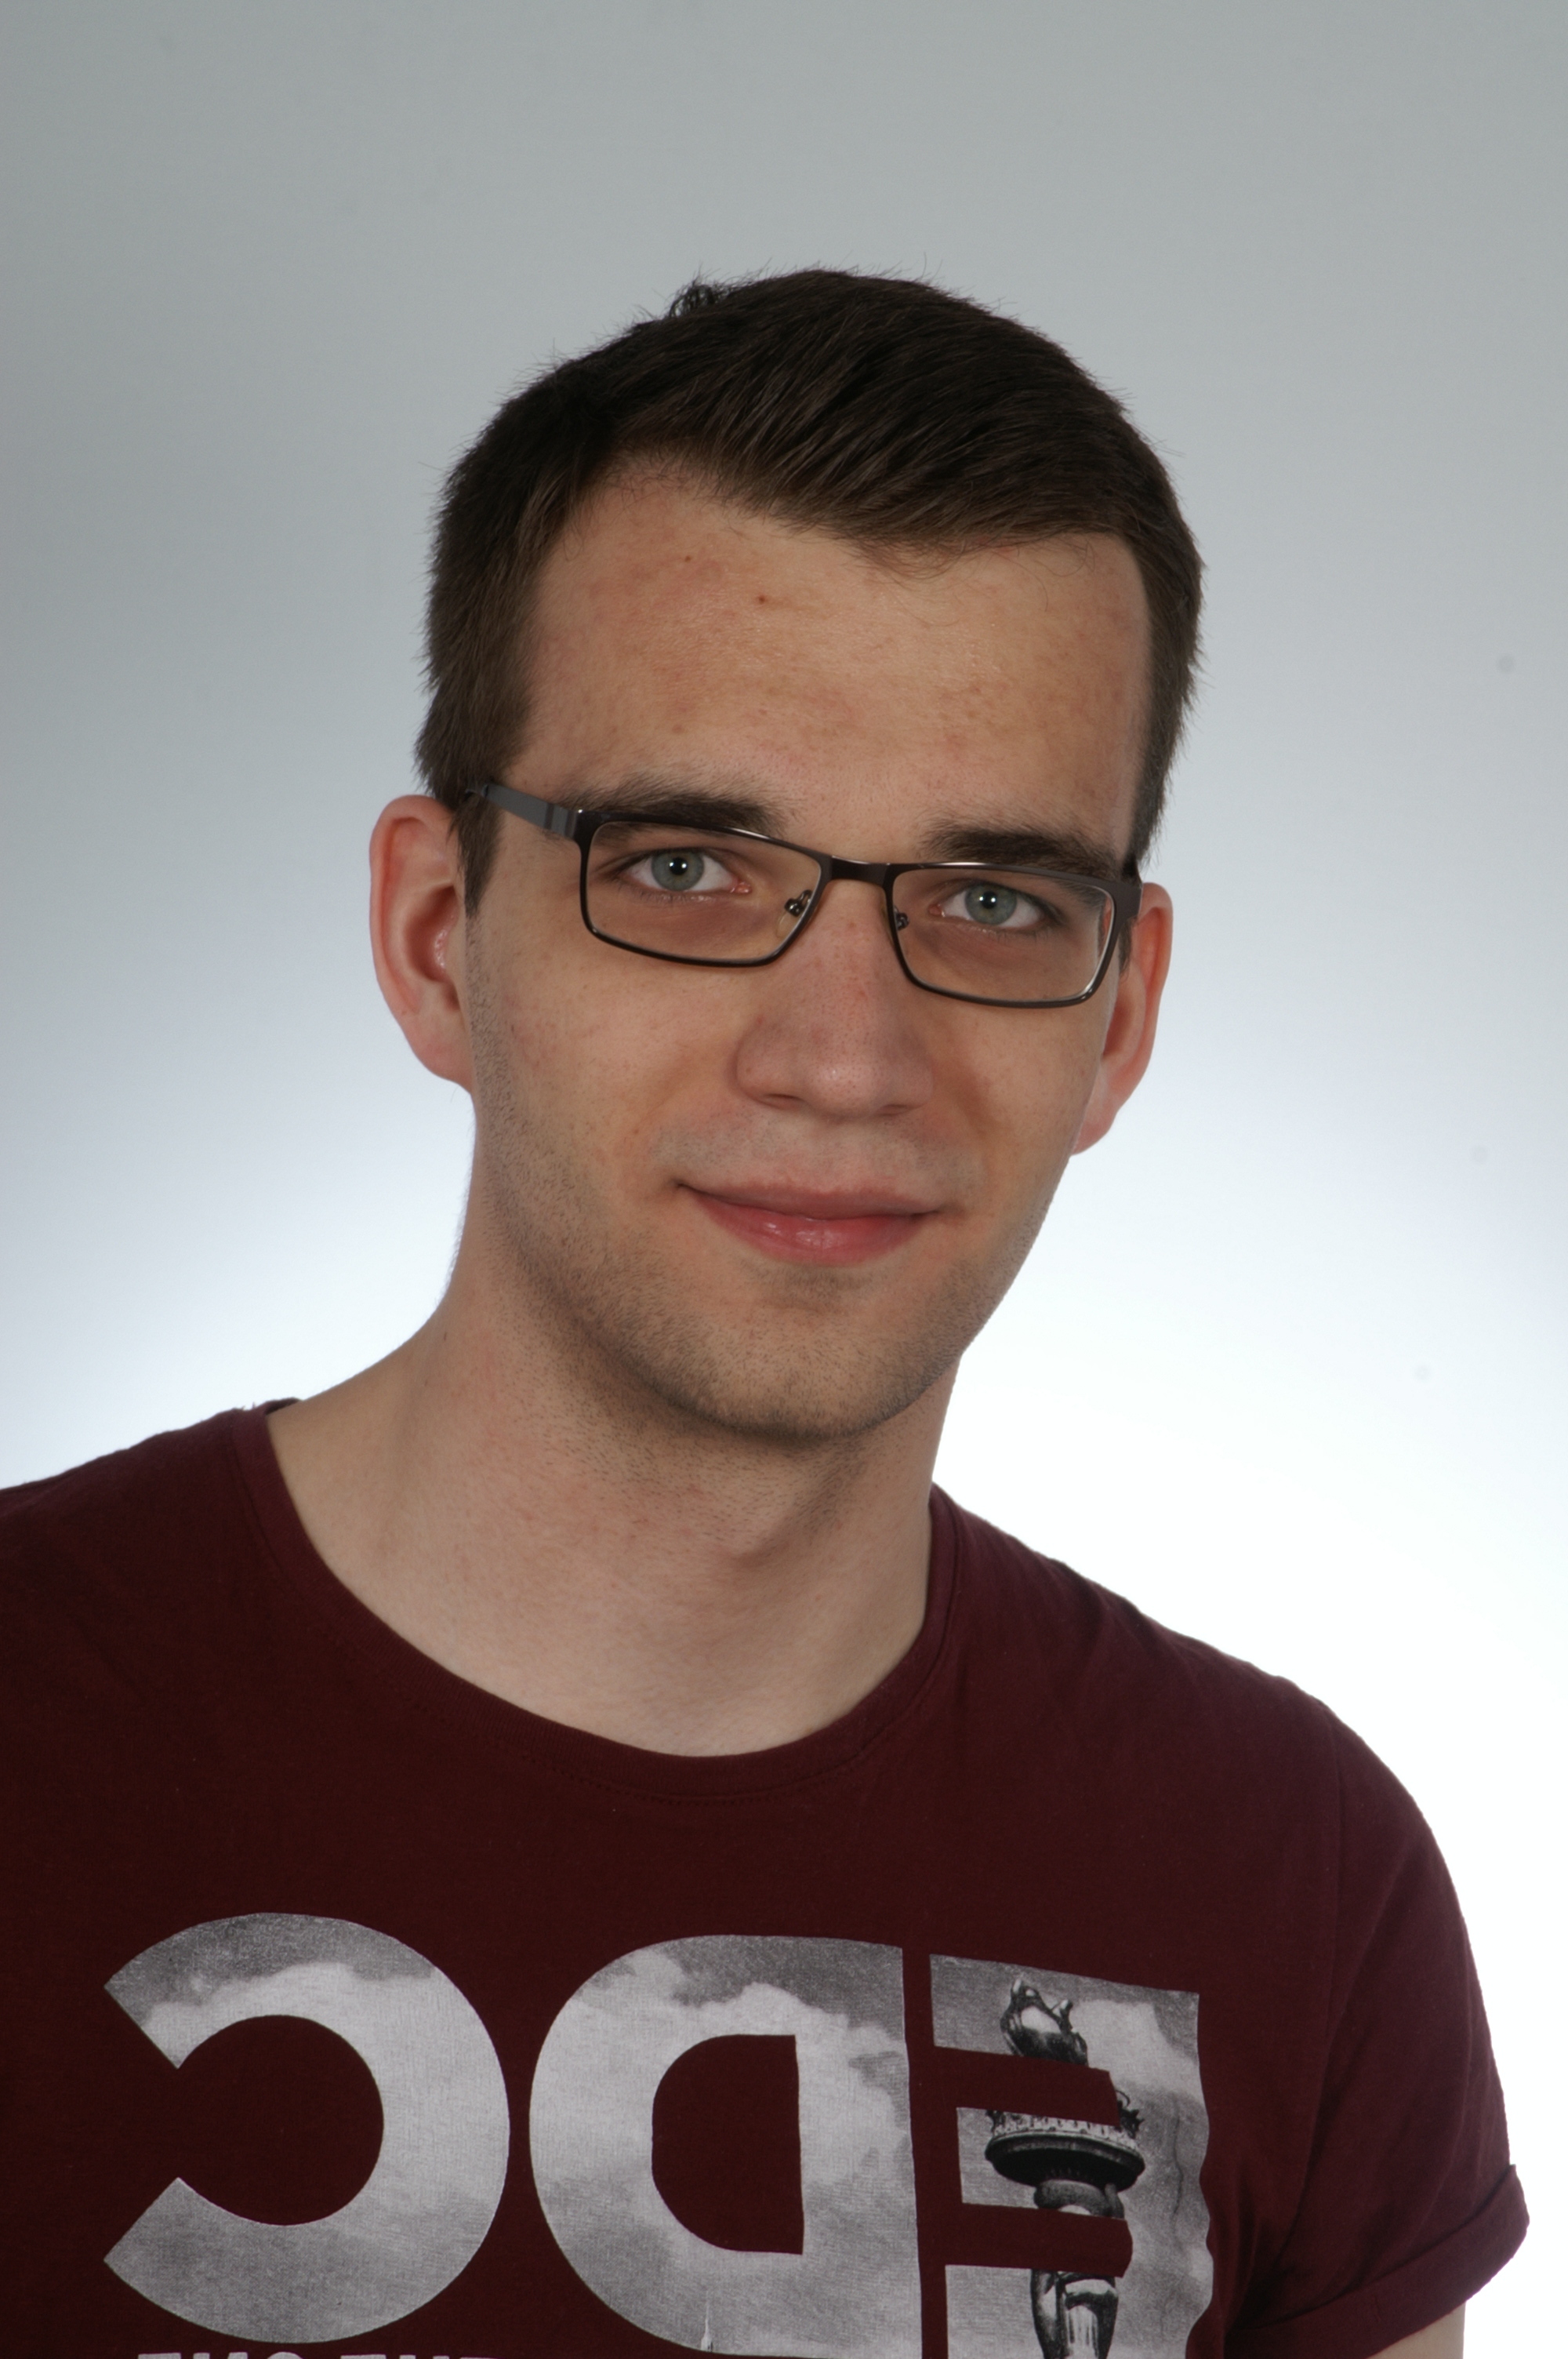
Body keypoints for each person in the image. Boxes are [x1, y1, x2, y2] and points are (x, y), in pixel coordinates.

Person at [0, 271, 1523, 2359]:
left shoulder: (1294, 1875)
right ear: (440, 937)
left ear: (1120, 1017)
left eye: (992, 901)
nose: (844, 1060)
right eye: (689, 867)